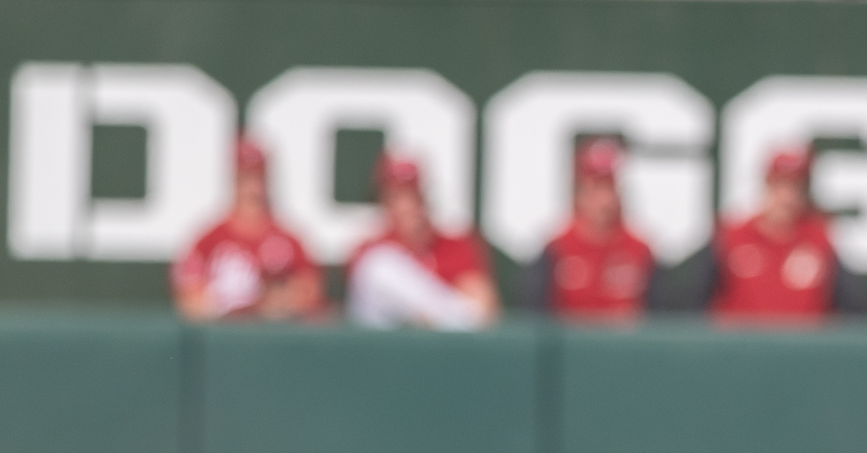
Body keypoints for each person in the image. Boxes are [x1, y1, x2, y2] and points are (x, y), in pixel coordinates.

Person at [171, 137, 325, 322]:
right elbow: (189, 298)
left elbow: (310, 292)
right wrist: (243, 307)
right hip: (222, 341)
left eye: (258, 176)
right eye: (245, 176)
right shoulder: (209, 239)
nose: (252, 185)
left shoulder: (289, 240)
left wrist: (281, 300)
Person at [706, 148, 866, 322]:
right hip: (742, 346)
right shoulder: (733, 236)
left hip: (803, 347)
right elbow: (693, 301)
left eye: (796, 188)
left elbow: (855, 305)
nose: (787, 197)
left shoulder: (819, 238)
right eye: (780, 185)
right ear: (767, 185)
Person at [346, 153, 500, 330]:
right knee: (378, 264)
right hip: (384, 346)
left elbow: (483, 305)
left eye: (412, 195)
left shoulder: (455, 245)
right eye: (395, 197)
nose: (406, 205)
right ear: (383, 202)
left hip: (443, 348)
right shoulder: (369, 249)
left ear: (425, 197)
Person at [523, 139, 656, 321]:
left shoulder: (640, 250)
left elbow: (657, 315)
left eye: (609, 189)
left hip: (624, 346)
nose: (604, 200)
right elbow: (536, 313)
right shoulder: (557, 248)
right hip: (569, 346)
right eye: (595, 189)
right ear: (579, 193)